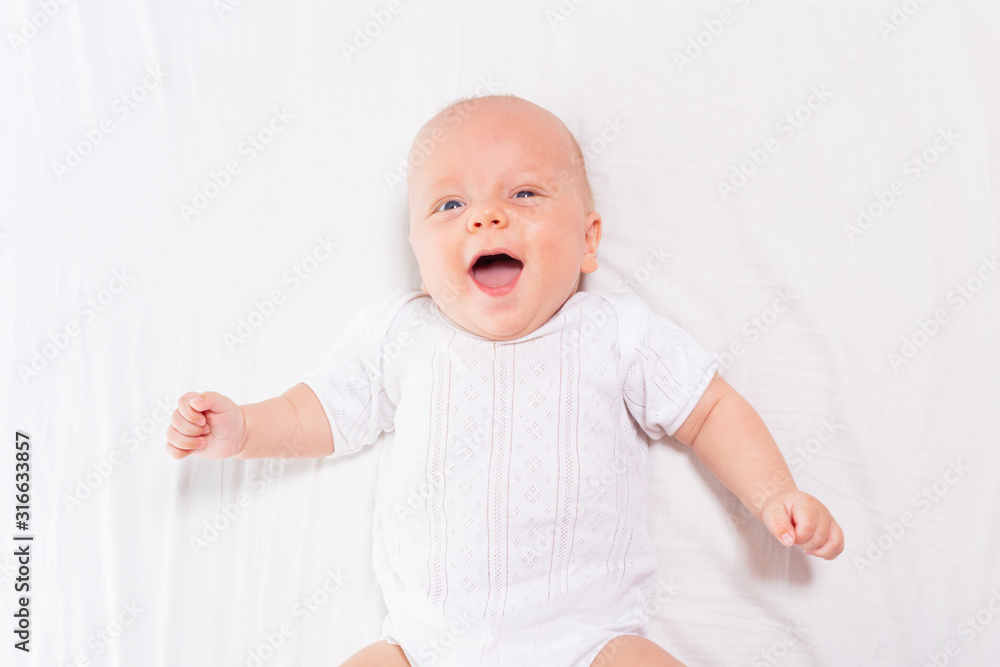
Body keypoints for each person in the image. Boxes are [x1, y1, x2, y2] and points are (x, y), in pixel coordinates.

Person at [165, 95, 844, 667]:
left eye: (523, 193)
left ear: (587, 240)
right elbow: (319, 411)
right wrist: (246, 426)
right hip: (426, 644)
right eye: (450, 204)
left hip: (592, 640)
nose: (486, 216)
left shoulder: (613, 330)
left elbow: (710, 409)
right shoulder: (405, 333)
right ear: (418, 255)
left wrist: (773, 491)